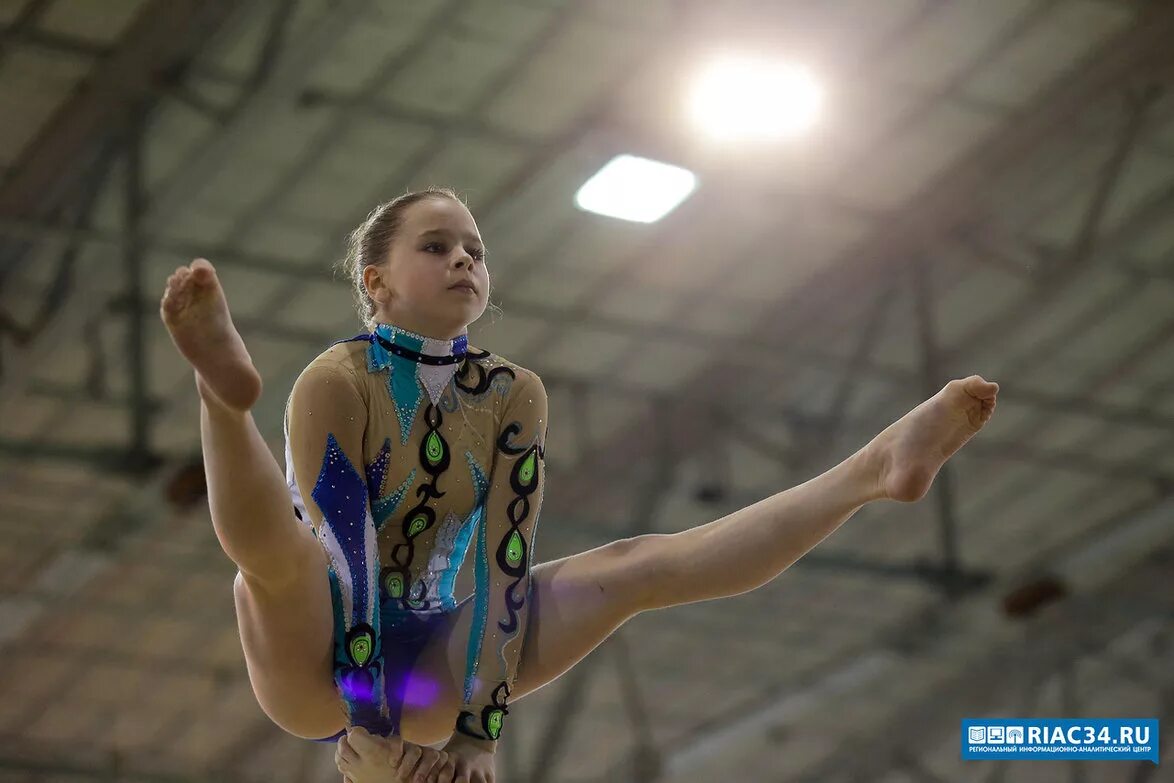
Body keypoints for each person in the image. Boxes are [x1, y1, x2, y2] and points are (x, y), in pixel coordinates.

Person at [160, 187, 998, 783]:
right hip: (319, 660)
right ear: (374, 282)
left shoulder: (512, 393)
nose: (463, 258)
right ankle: (221, 400)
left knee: (635, 564)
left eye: (475, 250)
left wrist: (479, 733)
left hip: (435, 663)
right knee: (281, 561)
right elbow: (348, 547)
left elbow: (502, 560)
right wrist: (374, 726)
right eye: (436, 245)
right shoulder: (336, 378)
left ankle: (869, 471)